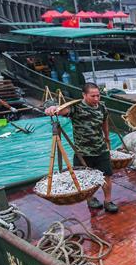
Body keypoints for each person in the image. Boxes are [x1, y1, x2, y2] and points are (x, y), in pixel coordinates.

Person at [44, 83, 117, 213]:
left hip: (101, 149)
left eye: (98, 95)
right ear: (84, 95)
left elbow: (105, 121)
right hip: (82, 152)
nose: (96, 99)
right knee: (85, 179)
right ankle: (90, 199)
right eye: (92, 96)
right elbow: (62, 111)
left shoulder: (102, 106)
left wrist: (107, 137)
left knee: (107, 176)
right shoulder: (76, 107)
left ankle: (108, 201)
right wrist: (53, 108)